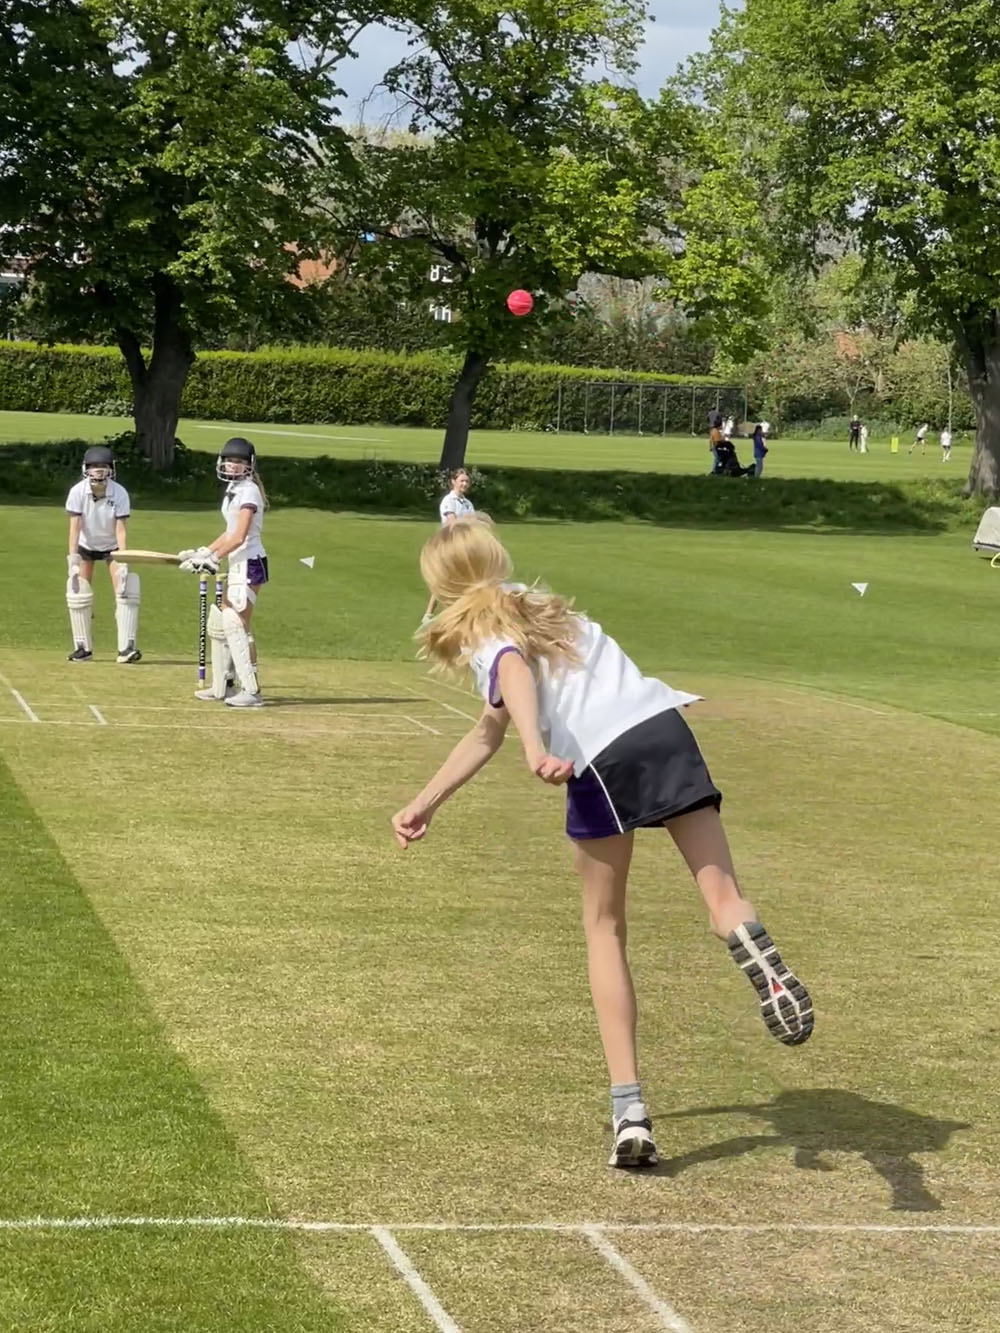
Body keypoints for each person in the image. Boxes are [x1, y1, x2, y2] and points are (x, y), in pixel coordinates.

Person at [391, 521, 813, 1170]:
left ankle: (630, 1110)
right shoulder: (548, 607)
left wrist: (536, 746)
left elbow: (511, 676)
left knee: (604, 927)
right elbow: (486, 729)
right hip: (663, 727)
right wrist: (425, 801)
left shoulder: (485, 628)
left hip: (602, 757)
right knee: (724, 897)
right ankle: (752, 942)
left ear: (441, 587)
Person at [179, 437, 268, 709]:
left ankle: (251, 691)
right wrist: (204, 552)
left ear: (249, 465)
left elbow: (240, 536)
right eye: (229, 460)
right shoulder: (233, 488)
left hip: (251, 562)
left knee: (236, 625)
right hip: (238, 562)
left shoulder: (249, 491)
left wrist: (214, 558)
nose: (233, 465)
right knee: (222, 623)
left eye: (239, 462)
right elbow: (229, 533)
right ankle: (224, 685)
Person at [64, 445, 141, 664]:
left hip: (112, 546)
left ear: (111, 469)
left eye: (103, 466)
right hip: (85, 545)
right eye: (94, 466)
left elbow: (120, 529)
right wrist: (73, 559)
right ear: (86, 469)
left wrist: (124, 559)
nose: (99, 471)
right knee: (79, 594)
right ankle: (83, 648)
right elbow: (75, 527)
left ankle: (126, 648)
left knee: (125, 591)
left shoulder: (119, 493)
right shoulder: (77, 492)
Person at [422, 467, 476, 624]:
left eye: (466, 481)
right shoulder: (449, 501)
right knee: (445, 579)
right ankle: (429, 614)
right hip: (449, 544)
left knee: (466, 580)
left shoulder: (467, 504)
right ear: (453, 482)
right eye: (461, 481)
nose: (465, 484)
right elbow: (452, 523)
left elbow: (473, 524)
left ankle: (460, 614)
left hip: (465, 545)